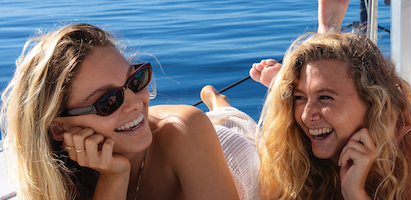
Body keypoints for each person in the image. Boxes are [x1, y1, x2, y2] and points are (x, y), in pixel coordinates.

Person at [0, 23, 239, 199]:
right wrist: (114, 177)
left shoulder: (186, 127)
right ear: (60, 128)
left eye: (135, 81)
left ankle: (218, 102)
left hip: (231, 152)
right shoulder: (55, 178)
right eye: (108, 101)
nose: (135, 103)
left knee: (230, 121)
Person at [250, 32, 411, 199]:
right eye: (299, 97)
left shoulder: (410, 150)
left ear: (372, 100)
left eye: (325, 97)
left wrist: (354, 192)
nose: (306, 116)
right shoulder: (288, 146)